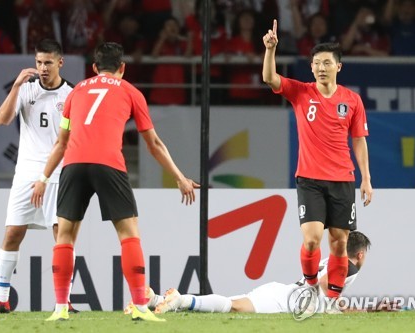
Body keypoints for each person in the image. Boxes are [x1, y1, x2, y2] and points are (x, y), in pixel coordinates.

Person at [34, 42, 199, 322]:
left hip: (73, 165)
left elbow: (61, 143)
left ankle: (60, 307)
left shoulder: (76, 92)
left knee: (64, 235)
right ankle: (140, 305)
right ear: (122, 68)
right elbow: (154, 144)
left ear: (94, 68)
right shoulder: (130, 91)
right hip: (108, 163)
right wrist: (179, 177)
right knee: (128, 233)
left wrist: (42, 178)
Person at [262, 21, 373, 313]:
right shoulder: (301, 92)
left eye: (327, 63)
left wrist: (366, 179)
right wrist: (270, 50)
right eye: (316, 63)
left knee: (339, 243)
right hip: (309, 179)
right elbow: (270, 78)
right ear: (311, 68)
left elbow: (359, 141)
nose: (321, 67)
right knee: (311, 241)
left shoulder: (352, 101)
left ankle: (332, 303)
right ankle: (310, 288)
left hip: (342, 180)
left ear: (339, 66)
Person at [0, 39, 78, 314]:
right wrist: (17, 86)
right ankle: (1, 298)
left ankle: (63, 301)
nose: (42, 68)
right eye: (38, 62)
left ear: (60, 62)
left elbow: (71, 140)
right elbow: (2, 119)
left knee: (62, 237)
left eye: (47, 62)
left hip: (57, 174)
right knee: (12, 234)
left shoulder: (70, 95)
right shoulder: (27, 89)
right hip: (25, 174)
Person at [152, 231, 386, 314]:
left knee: (232, 304)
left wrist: (366, 309)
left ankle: (160, 300)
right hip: (291, 302)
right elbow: (324, 287)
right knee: (233, 306)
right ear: (361, 254)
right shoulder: (351, 267)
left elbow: (329, 296)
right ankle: (178, 299)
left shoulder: (334, 259)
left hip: (285, 292)